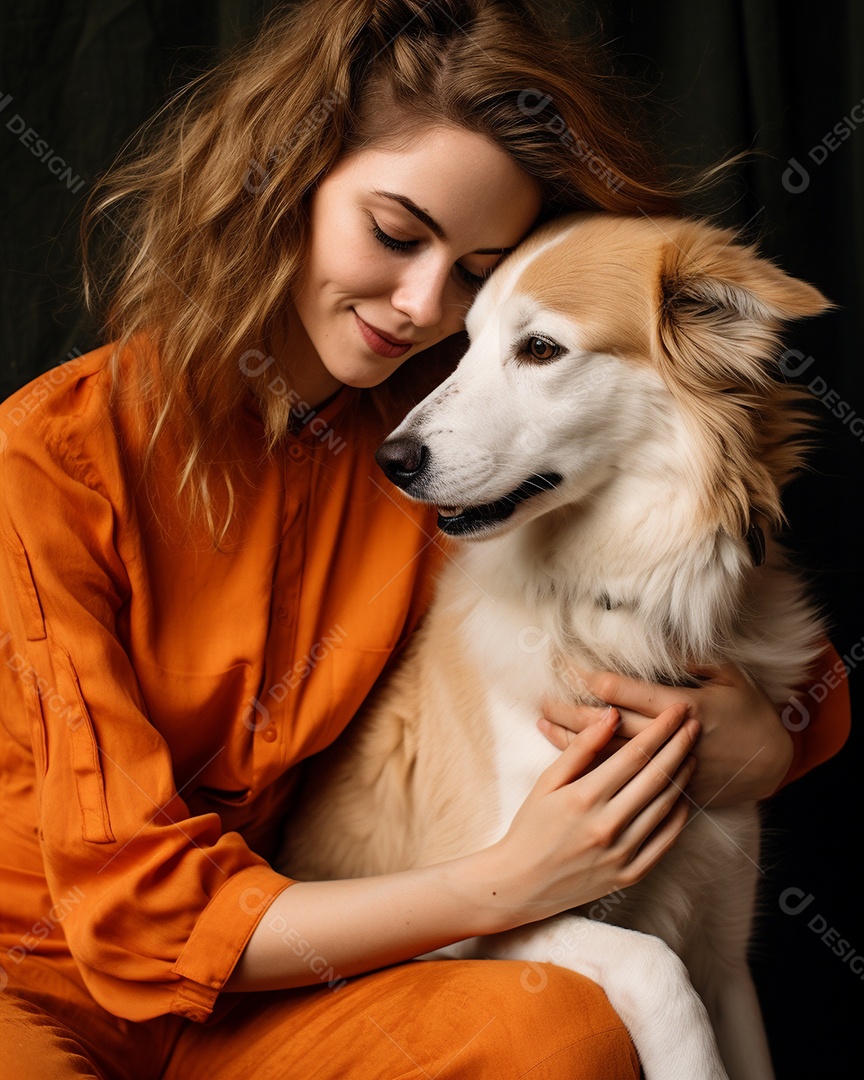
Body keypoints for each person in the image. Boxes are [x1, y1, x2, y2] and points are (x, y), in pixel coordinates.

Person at [0, 1, 849, 1077]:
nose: (417, 305)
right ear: (284, 177)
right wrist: (504, 882)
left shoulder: (451, 452)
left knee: (563, 1024)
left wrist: (775, 737)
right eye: (396, 234)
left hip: (286, 998)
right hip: (44, 986)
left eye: (471, 272)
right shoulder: (51, 464)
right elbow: (132, 919)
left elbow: (687, 557)